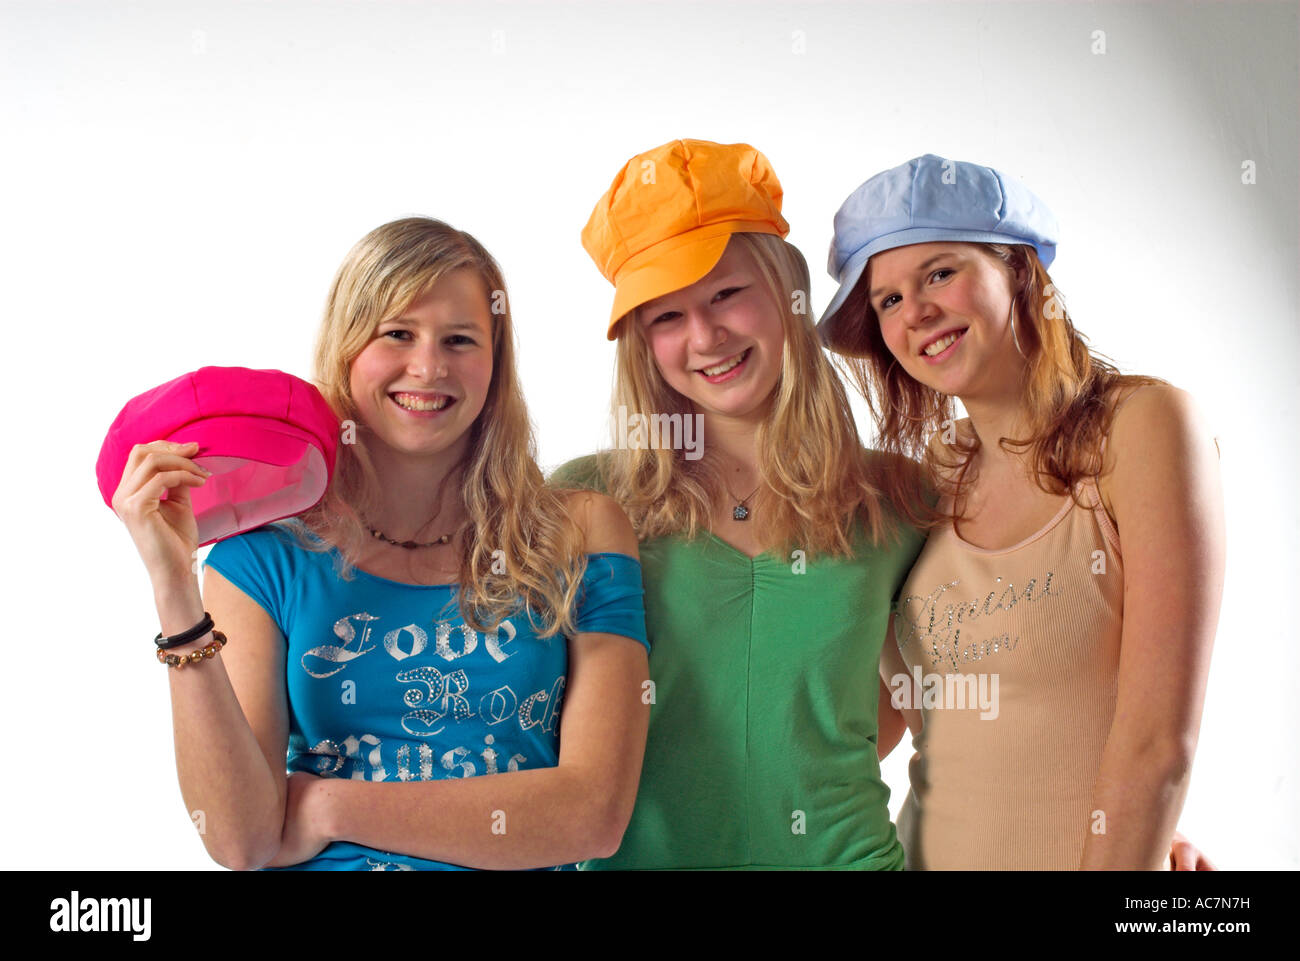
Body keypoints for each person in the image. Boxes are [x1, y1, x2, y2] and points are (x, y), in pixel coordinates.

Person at [110, 217, 651, 871]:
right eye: (397, 333)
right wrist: (173, 591)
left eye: (459, 340)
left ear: (495, 364)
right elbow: (240, 839)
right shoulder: (262, 559)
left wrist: (327, 806)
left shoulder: (580, 532)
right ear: (347, 346)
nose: (428, 366)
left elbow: (592, 817)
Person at [817, 154, 1224, 869]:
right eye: (886, 301)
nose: (916, 311)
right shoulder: (927, 482)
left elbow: (1160, 744)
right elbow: (890, 723)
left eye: (940, 272)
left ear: (1020, 269)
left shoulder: (1147, 427)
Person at [550, 139, 927, 869]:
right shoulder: (584, 501)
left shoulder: (901, 499)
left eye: (727, 293)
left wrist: (1139, 831)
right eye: (665, 316)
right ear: (639, 343)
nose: (705, 336)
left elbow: (1012, 672)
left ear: (787, 291)